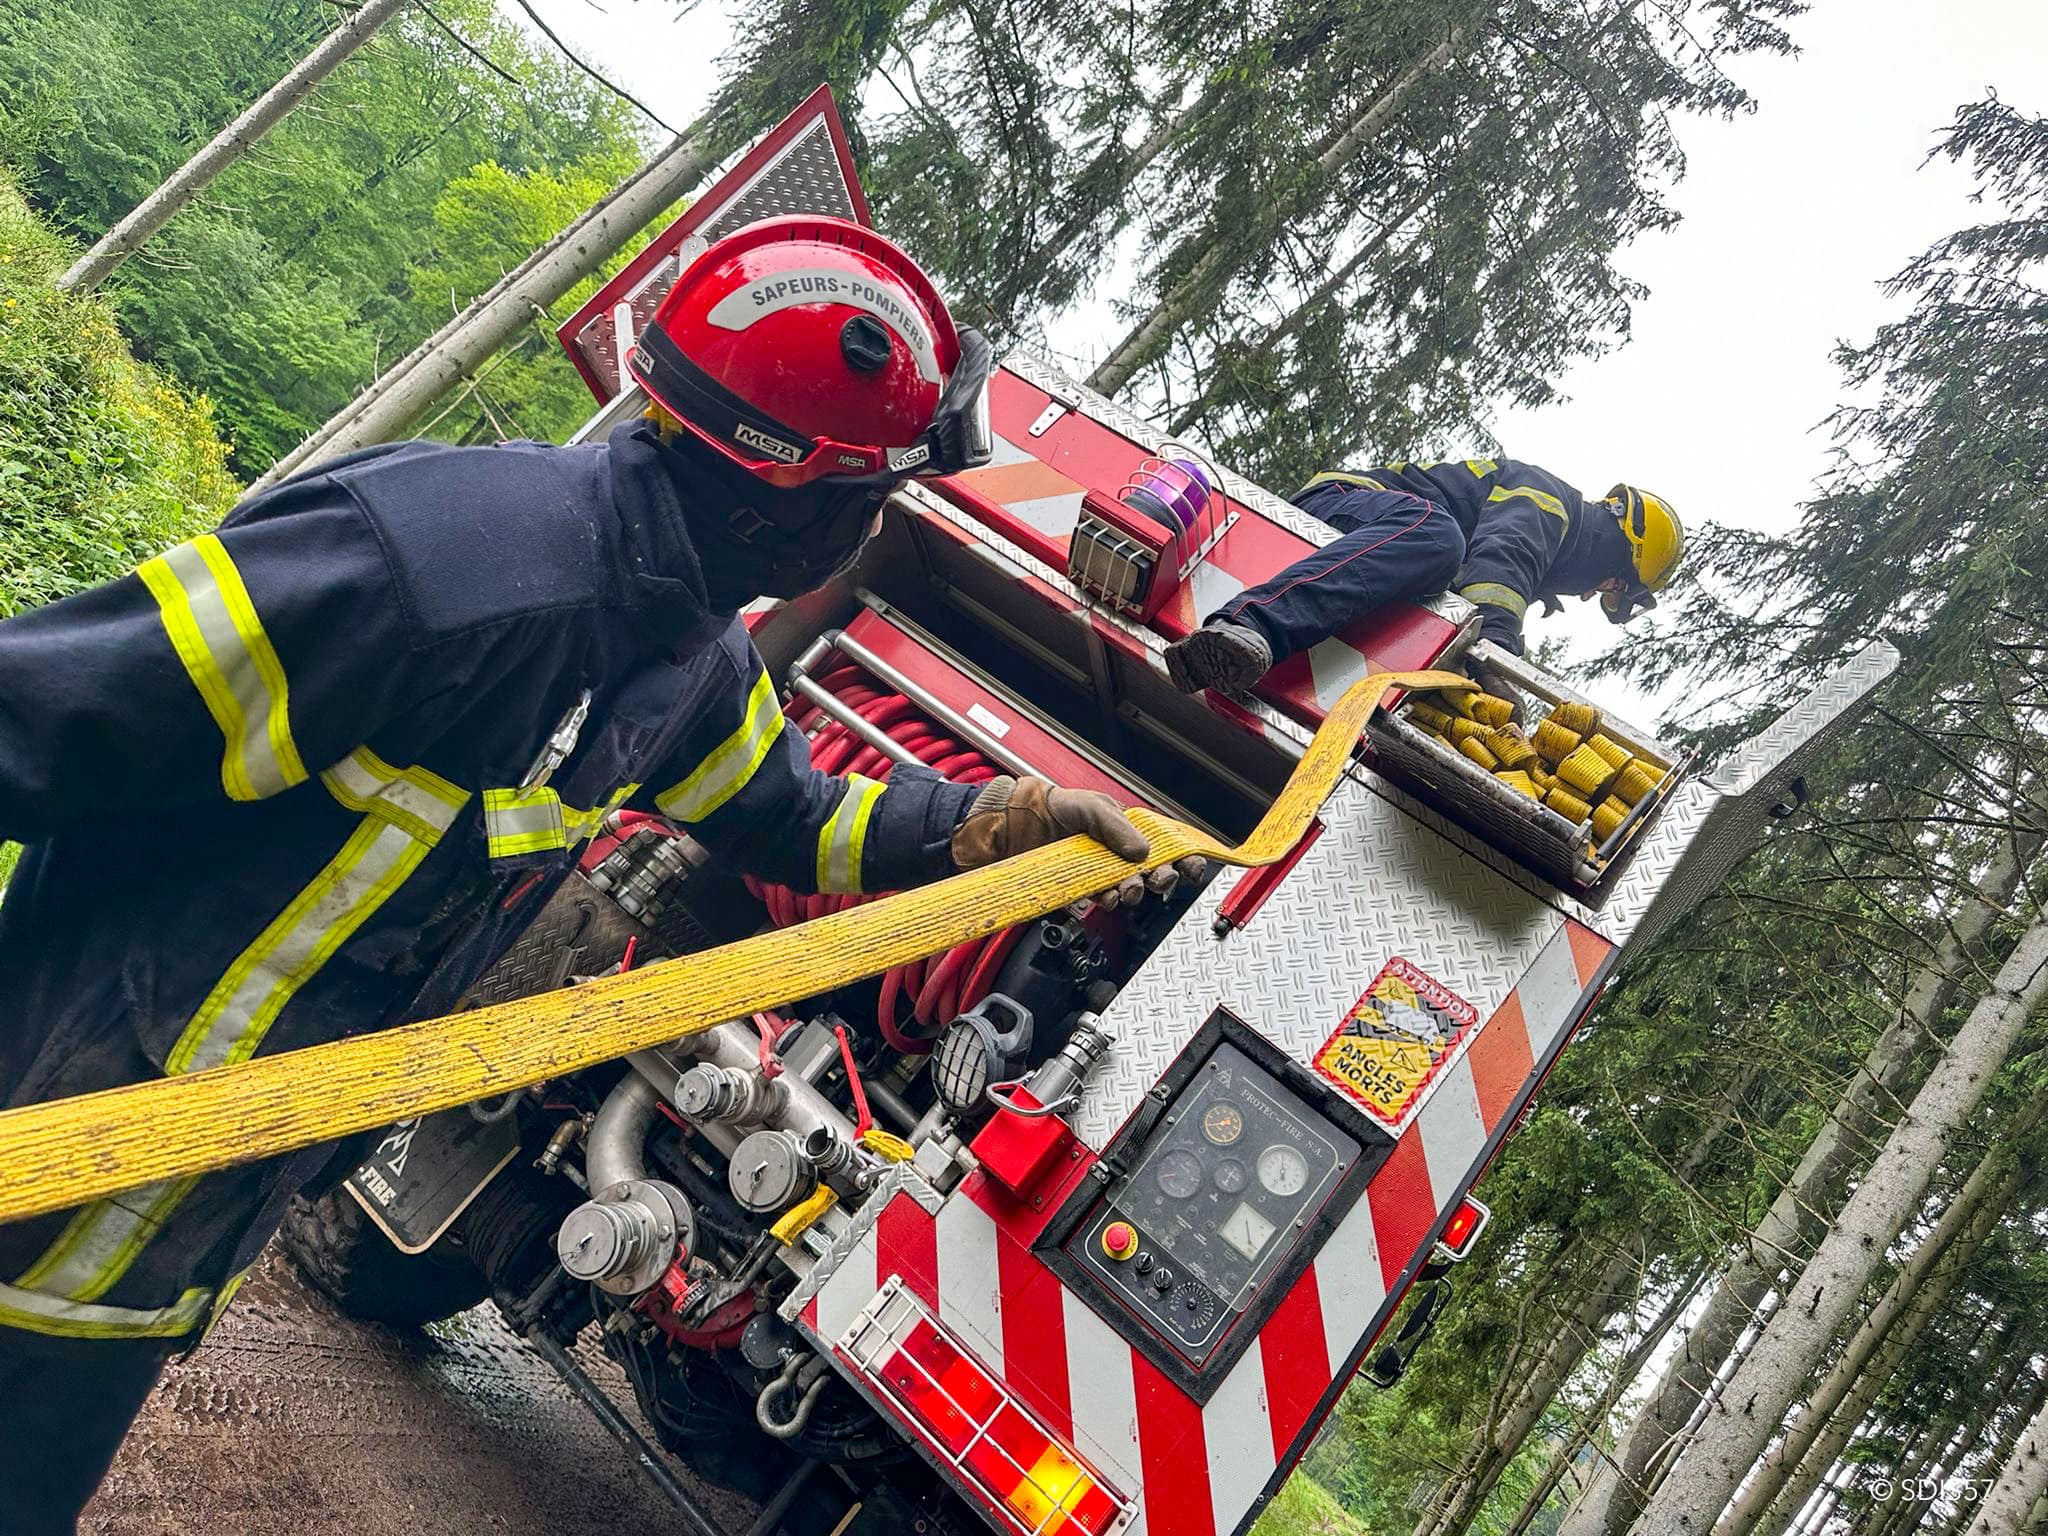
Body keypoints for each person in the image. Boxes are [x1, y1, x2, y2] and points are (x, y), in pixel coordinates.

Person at [0, 216, 1183, 1533]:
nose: (861, 534)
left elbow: (791, 816)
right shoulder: (431, 566)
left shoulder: (682, 658)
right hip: (37, 1143)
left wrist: (988, 824)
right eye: (864, 503)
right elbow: (38, 718)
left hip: (138, 1249)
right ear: (780, 492)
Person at [1162, 459, 1684, 706]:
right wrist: (1498, 656)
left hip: (1369, 558)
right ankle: (1249, 626)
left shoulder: (1553, 551)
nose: (1594, 593)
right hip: (1344, 507)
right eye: (1614, 583)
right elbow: (1505, 558)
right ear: (1617, 544)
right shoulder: (1550, 500)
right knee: (1438, 534)